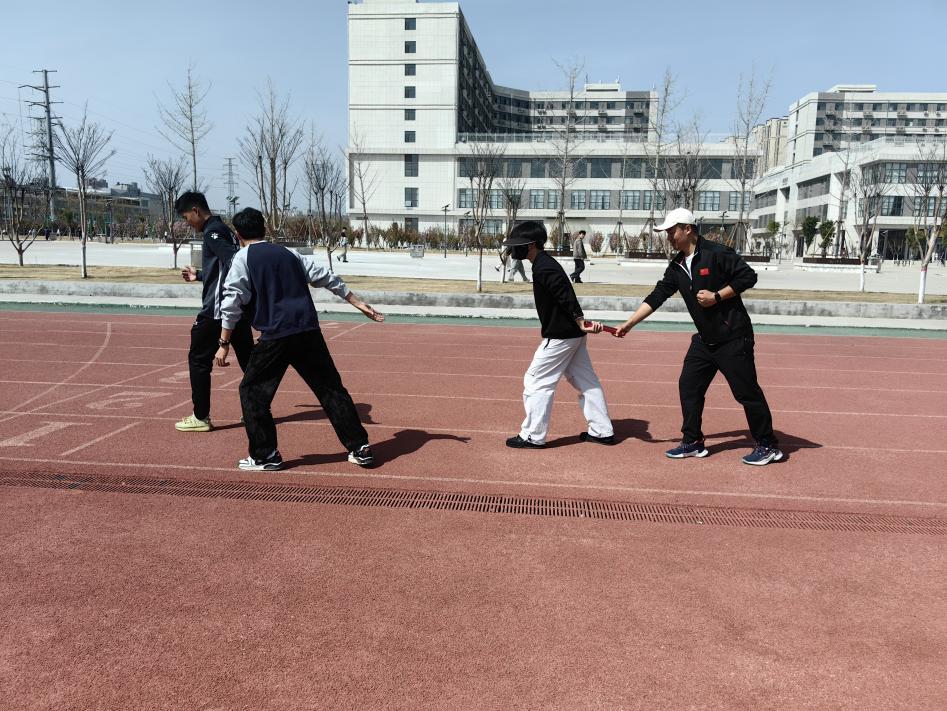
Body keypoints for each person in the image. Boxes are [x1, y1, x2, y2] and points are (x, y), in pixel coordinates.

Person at [216, 208, 385, 471]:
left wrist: (224, 343)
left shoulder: (242, 258)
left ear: (237, 234)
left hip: (275, 335)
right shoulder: (289, 253)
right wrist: (357, 302)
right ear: (265, 228)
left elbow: (232, 301)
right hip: (307, 331)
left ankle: (265, 455)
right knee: (331, 390)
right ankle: (360, 447)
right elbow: (326, 277)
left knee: (252, 393)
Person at [613, 207, 782, 466]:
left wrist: (717, 296)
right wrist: (629, 323)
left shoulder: (717, 253)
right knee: (689, 386)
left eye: (671, 231)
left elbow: (748, 276)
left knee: (746, 393)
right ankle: (692, 442)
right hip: (705, 340)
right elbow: (658, 295)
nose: (668, 237)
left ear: (687, 229)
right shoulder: (677, 265)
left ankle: (768, 445)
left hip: (733, 337)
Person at [503, 221, 614, 449]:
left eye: (517, 244)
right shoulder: (543, 263)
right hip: (572, 334)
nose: (513, 249)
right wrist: (579, 322)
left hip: (561, 335)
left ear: (531, 245)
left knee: (536, 380)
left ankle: (533, 436)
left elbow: (565, 294)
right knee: (586, 382)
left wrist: (579, 319)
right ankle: (602, 431)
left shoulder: (544, 266)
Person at [175, 191, 254, 433]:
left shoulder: (212, 232)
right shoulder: (225, 229)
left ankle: (200, 417)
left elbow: (234, 262)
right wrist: (200, 275)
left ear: (196, 211)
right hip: (236, 308)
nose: (187, 223)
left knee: (199, 360)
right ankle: (255, 410)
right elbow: (224, 267)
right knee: (249, 362)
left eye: (186, 217)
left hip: (217, 311)